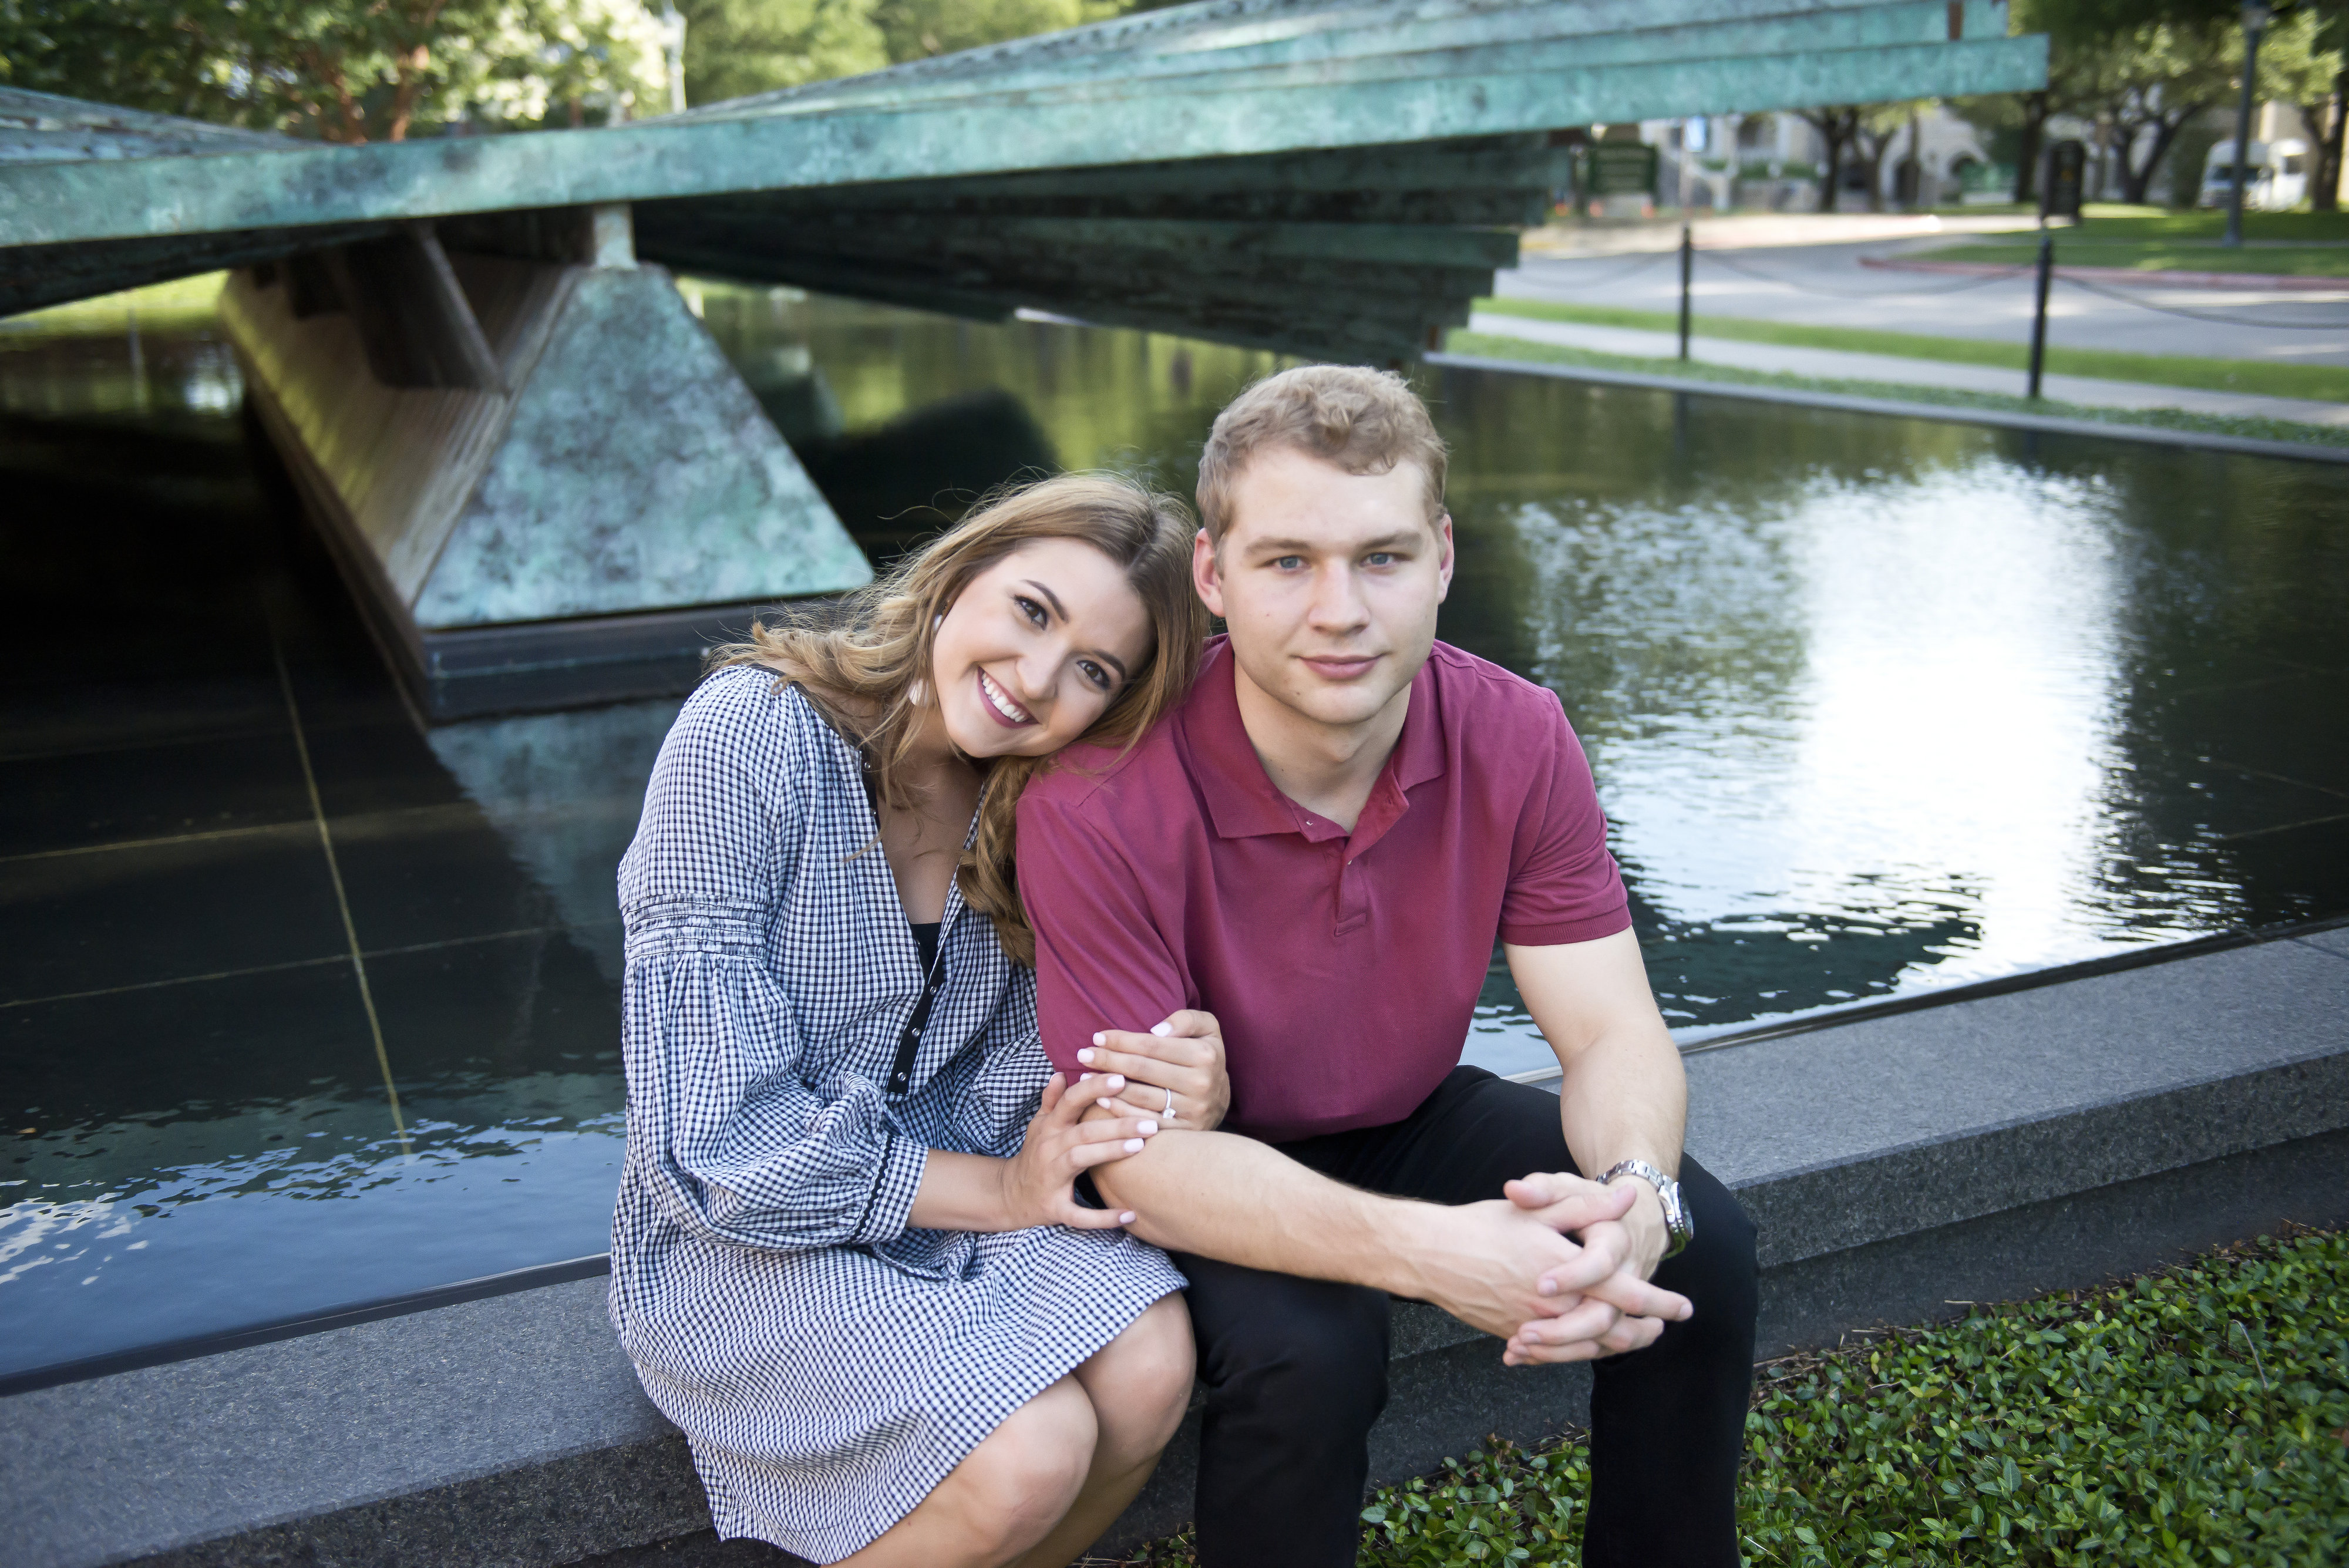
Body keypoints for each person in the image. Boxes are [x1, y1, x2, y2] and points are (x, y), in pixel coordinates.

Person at [1017, 368, 1761, 1568]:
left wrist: (1632, 1195)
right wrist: (1432, 1254)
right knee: (1310, 1356)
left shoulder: (1515, 734)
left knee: (1699, 1249)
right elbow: (1141, 1159)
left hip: (1401, 1113)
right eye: (1285, 563)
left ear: (1442, 559)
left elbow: (1611, 1032)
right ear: (1210, 575)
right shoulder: (1096, 799)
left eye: (1380, 557)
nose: (1339, 611)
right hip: (1208, 1159)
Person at [608, 473, 1216, 1567]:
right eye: (1031, 610)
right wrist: (1000, 1189)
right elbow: (713, 1144)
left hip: (966, 1203)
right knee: (1027, 1452)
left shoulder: (1046, 806)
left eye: (1092, 671)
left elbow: (1055, 1071)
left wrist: (1185, 1077)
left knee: (1154, 1364)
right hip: (737, 1233)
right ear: (956, 579)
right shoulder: (749, 738)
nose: (1035, 681)